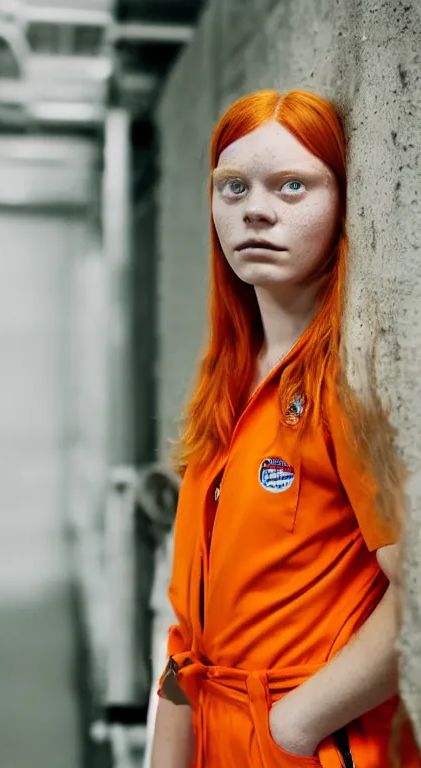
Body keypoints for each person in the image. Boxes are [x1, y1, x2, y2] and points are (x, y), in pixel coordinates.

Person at [150, 90, 420, 768]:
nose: (257, 210)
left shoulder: (350, 392)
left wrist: (295, 725)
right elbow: (190, 635)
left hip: (309, 744)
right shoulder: (226, 386)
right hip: (215, 736)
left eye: (293, 185)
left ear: (341, 203)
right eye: (233, 188)